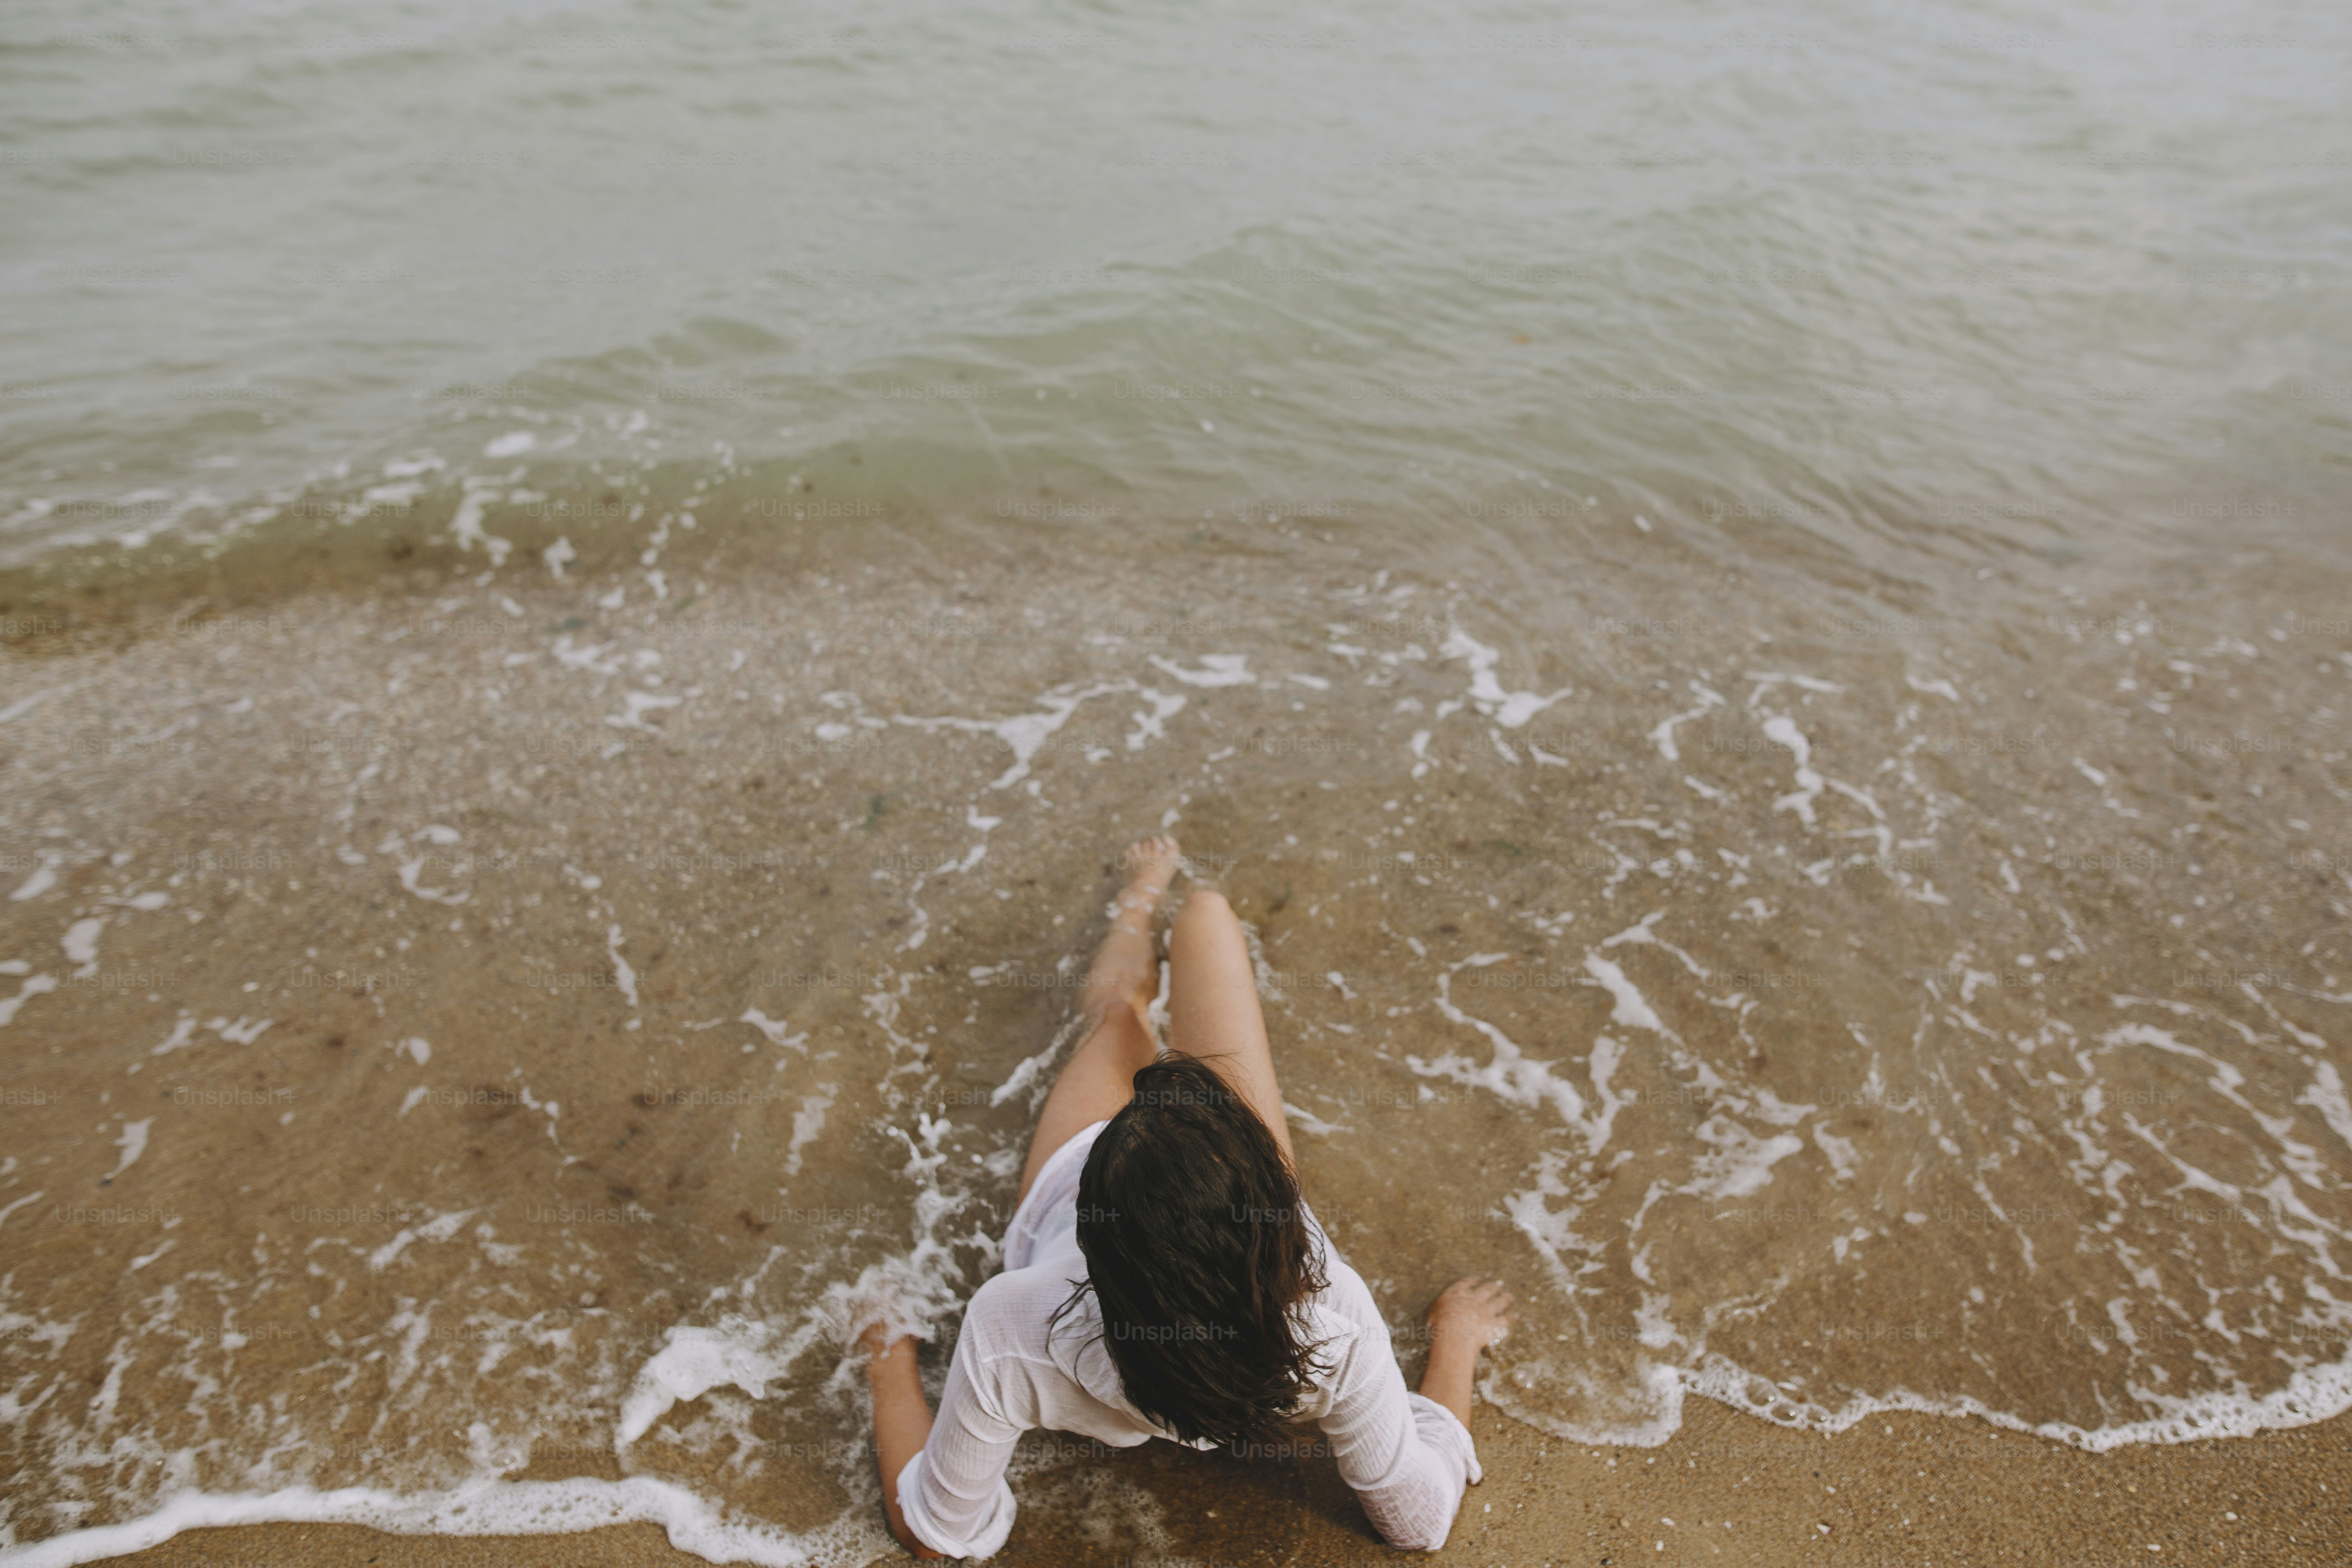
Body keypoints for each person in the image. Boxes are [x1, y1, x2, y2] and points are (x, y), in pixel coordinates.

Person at [858, 836, 1516, 1558]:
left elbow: (934, 1535)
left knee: (1115, 1014)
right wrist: (1455, 1339)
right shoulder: (1334, 1318)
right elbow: (1419, 1523)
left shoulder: (1013, 1324)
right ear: (1275, 1219)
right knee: (1206, 917)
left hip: (1123, 1216)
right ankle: (1167, 895)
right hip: (1197, 1210)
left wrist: (886, 1355)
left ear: (1092, 1240)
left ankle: (1142, 896)